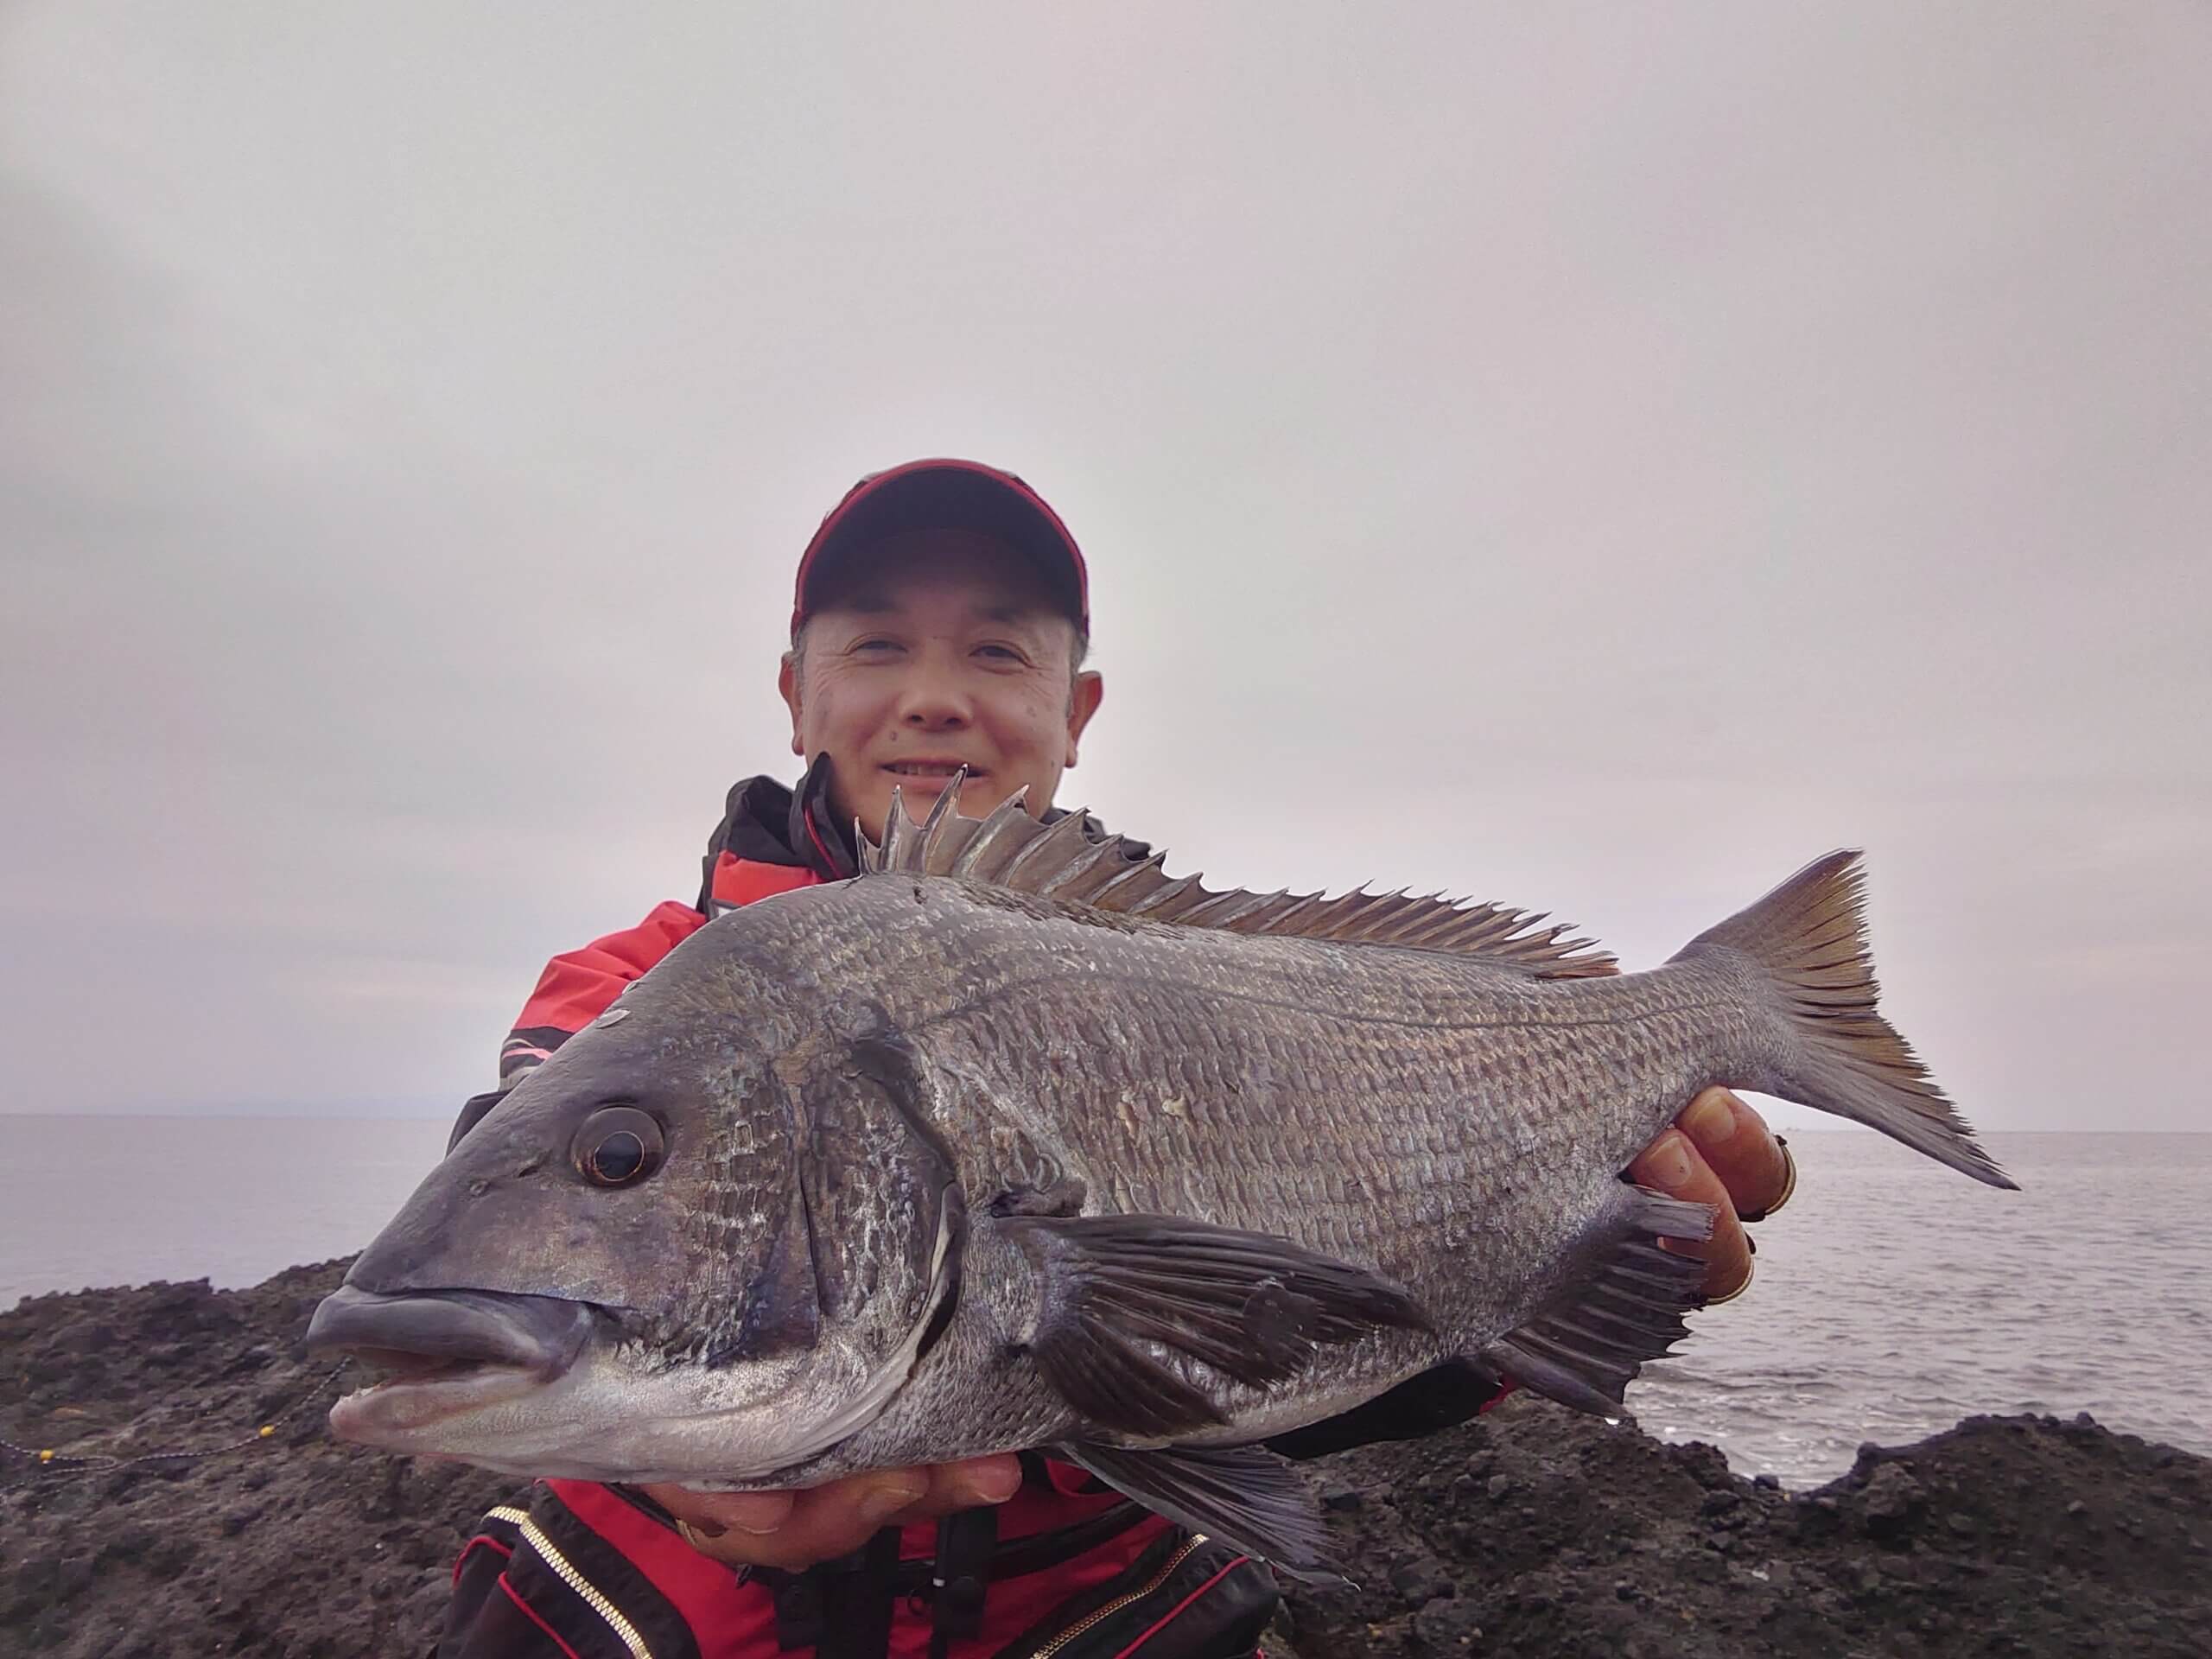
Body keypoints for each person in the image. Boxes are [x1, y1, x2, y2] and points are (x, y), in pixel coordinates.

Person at [435, 458, 1797, 1659]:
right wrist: (678, 1467)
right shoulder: (637, 992)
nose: (933, 699)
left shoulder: (1204, 988)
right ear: (795, 695)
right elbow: (506, 1209)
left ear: (1078, 710)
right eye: (875, 647)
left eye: (998, 655)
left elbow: (1296, 1361)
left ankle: (1770, 999)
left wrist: (1557, 1270)